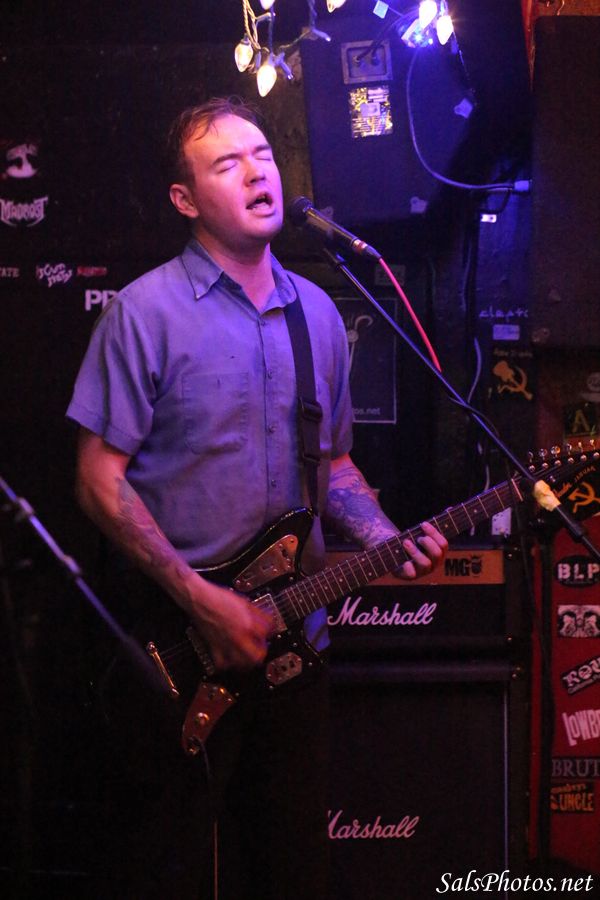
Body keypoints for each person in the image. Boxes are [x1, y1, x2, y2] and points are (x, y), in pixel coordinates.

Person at [66, 96, 448, 900]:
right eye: (227, 162)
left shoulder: (319, 314)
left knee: (291, 868)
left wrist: (382, 533)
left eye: (264, 155)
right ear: (185, 198)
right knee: (172, 870)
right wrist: (200, 599)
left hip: (295, 649)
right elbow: (97, 481)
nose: (257, 172)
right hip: (179, 646)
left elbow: (333, 463)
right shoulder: (144, 313)